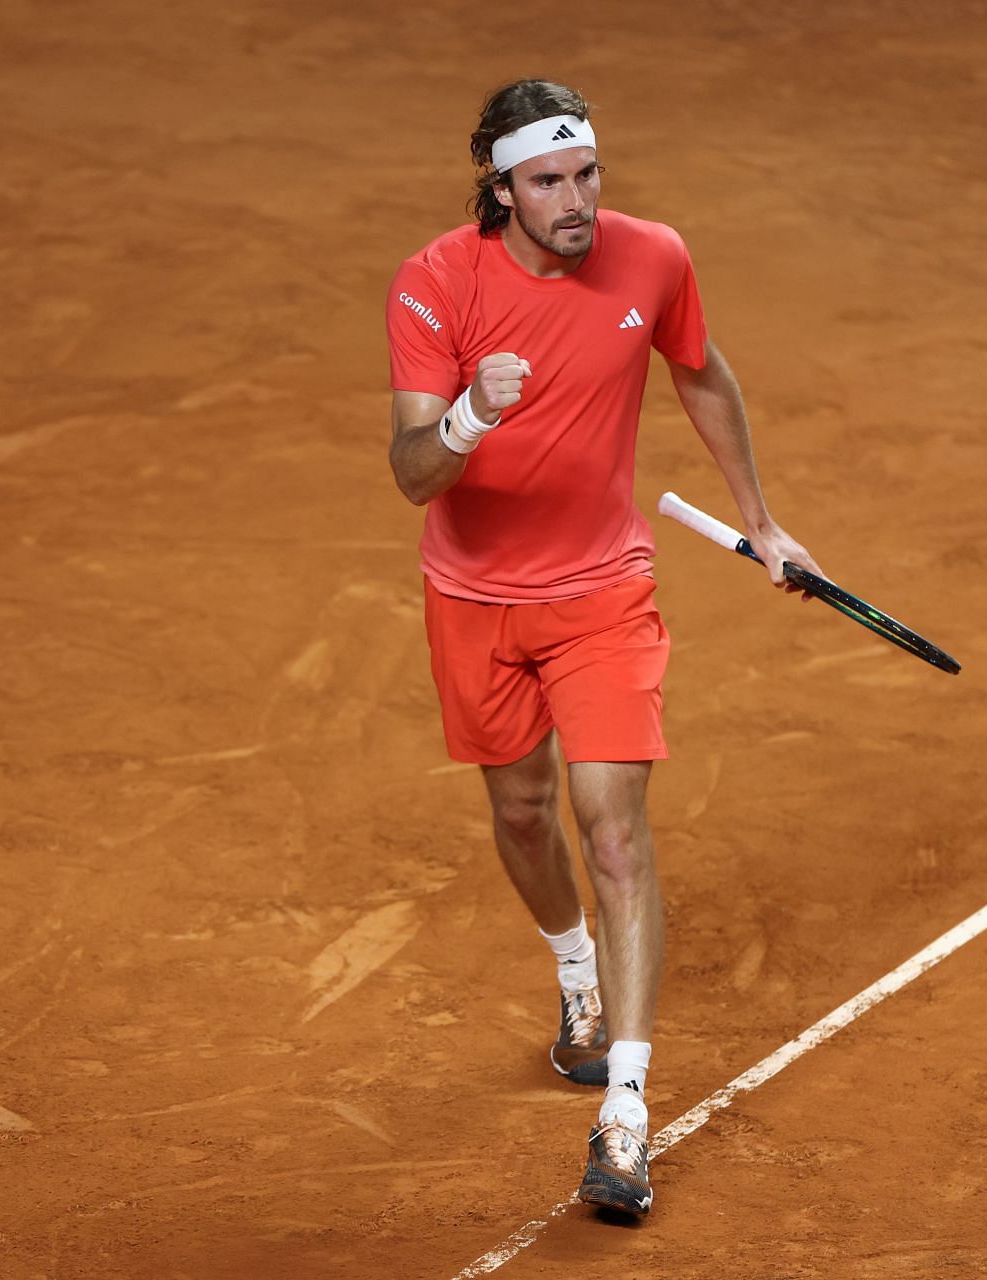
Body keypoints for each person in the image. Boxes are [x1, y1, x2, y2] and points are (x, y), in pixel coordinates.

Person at [383, 78, 821, 1217]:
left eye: (587, 176)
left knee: (611, 822)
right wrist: (472, 414)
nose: (575, 202)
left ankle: (625, 1111)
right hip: (474, 596)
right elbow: (411, 471)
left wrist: (763, 520)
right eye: (547, 182)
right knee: (523, 811)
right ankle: (575, 977)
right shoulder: (435, 284)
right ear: (499, 187)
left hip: (603, 593)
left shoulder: (653, 258)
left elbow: (701, 371)